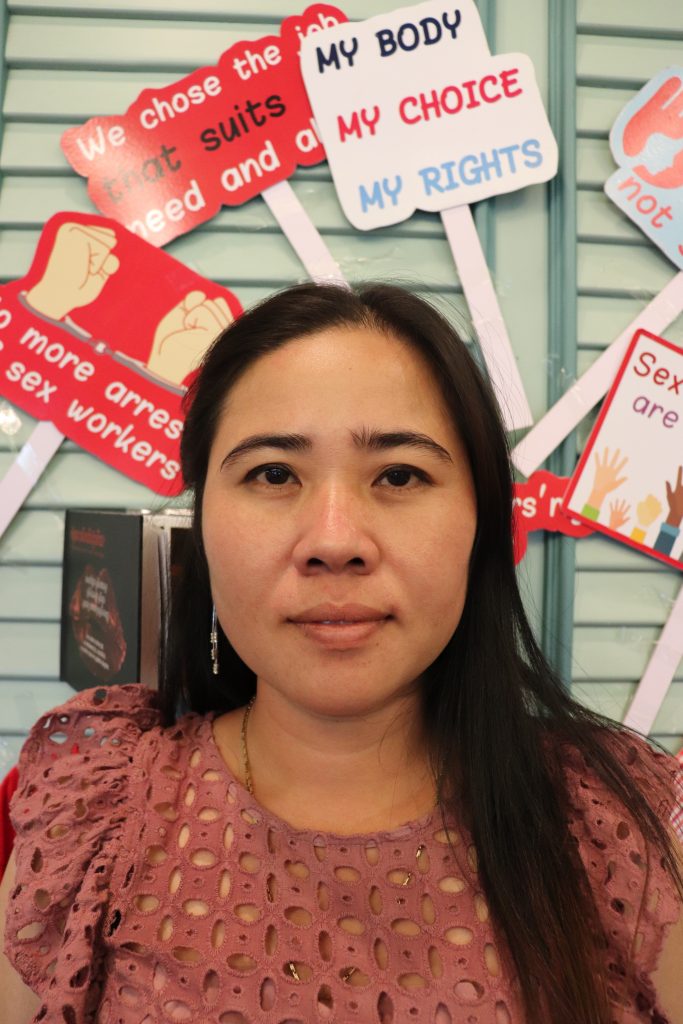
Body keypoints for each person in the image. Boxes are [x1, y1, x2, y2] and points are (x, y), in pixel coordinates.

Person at [1, 282, 682, 1024]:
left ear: (480, 523)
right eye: (272, 474)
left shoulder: (616, 829)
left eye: (399, 475)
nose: (333, 541)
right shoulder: (93, 815)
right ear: (203, 519)